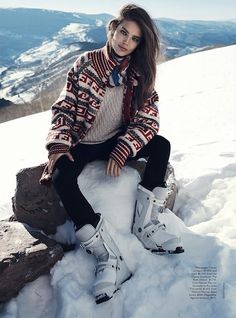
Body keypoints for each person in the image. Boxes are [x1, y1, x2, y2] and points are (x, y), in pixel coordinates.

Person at [40, 4, 184, 304]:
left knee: (161, 145)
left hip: (114, 141)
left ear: (138, 45)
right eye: (123, 33)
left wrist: (124, 147)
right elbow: (64, 108)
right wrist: (59, 144)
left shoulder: (139, 73)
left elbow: (149, 117)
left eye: (134, 39)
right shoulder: (86, 64)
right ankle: (108, 256)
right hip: (83, 143)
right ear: (112, 29)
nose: (125, 41)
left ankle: (145, 224)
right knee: (62, 177)